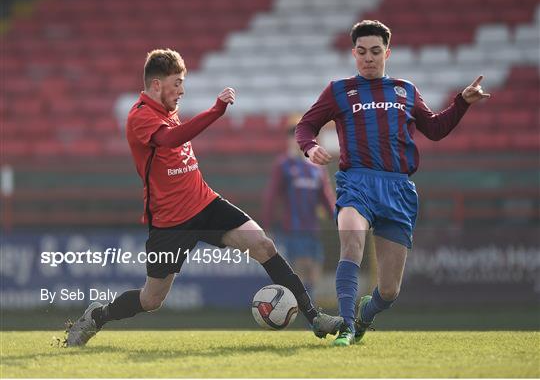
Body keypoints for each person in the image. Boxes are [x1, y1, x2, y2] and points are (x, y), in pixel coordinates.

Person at [66, 49, 343, 346]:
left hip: (205, 203)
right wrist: (215, 112)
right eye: (177, 83)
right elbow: (171, 139)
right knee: (151, 299)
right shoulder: (140, 116)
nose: (182, 90)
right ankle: (98, 316)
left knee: (262, 244)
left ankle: (315, 318)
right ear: (157, 84)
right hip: (171, 222)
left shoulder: (167, 108)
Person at [295, 20, 490, 346]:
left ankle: (365, 314)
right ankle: (345, 326)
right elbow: (306, 125)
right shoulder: (339, 90)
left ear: (388, 52)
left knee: (389, 290)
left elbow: (435, 130)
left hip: (397, 189)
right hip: (355, 182)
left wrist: (462, 103)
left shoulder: (406, 90)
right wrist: (311, 147)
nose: (368, 58)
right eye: (361, 52)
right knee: (351, 243)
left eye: (375, 51)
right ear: (353, 53)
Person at [262, 117, 335, 298]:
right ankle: (303, 313)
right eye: (292, 136)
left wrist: (340, 219)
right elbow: (271, 197)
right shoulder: (283, 165)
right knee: (300, 270)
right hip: (292, 229)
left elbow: (327, 199)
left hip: (312, 229)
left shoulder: (317, 169)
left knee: (315, 272)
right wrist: (267, 225)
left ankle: (307, 311)